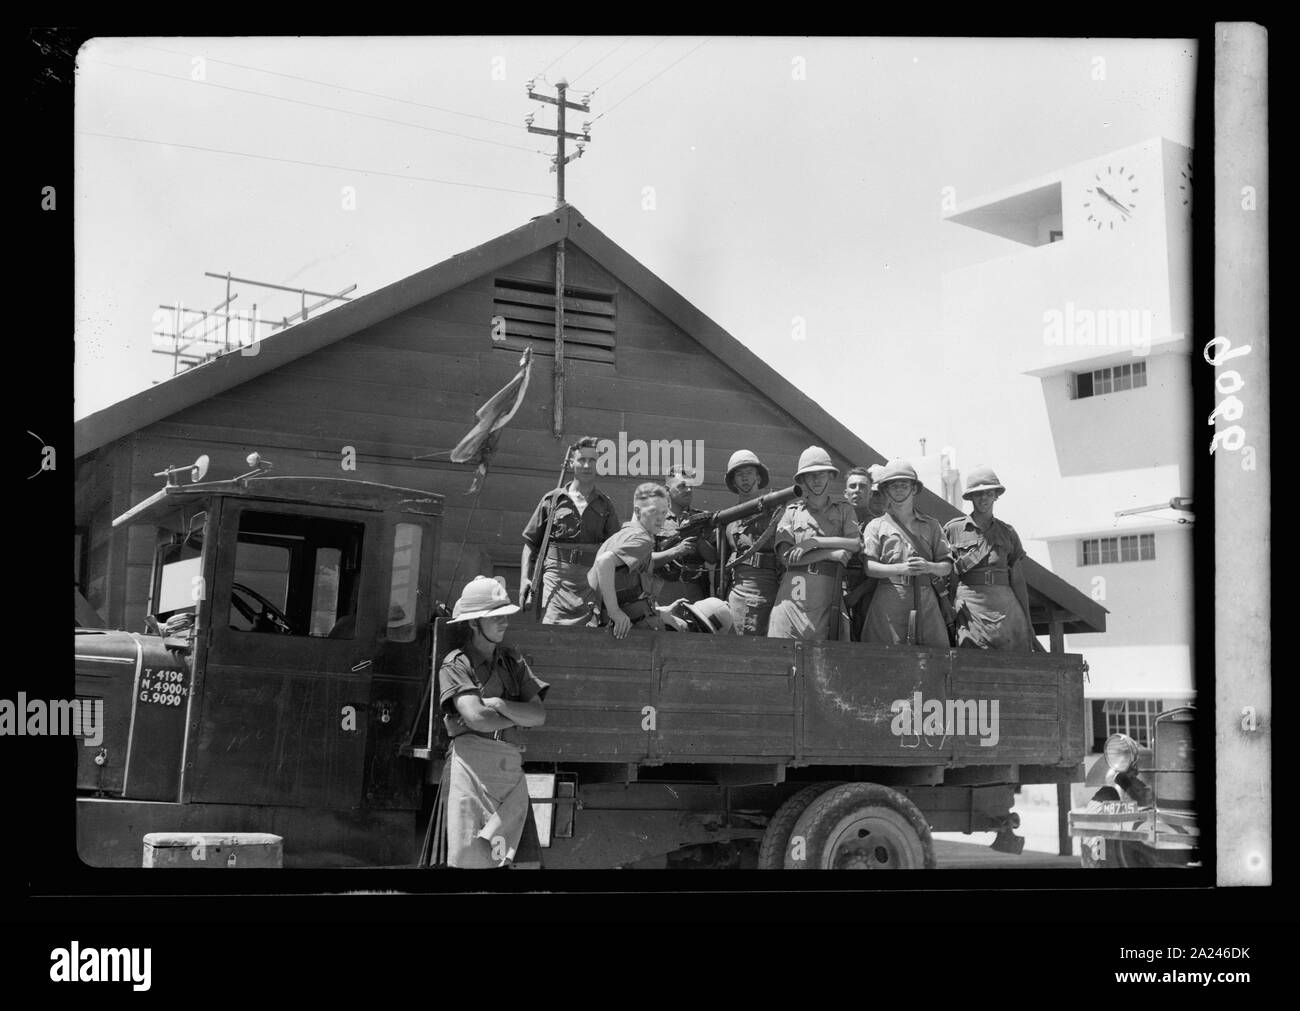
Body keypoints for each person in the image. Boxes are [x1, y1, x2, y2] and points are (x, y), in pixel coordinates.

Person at [436, 576, 548, 868]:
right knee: (469, 862)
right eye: (495, 616)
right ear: (474, 623)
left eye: (504, 616)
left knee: (520, 866)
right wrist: (514, 714)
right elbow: (476, 717)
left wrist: (498, 704)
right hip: (471, 771)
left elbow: (538, 715)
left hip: (509, 772)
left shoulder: (513, 661)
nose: (504, 623)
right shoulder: (456, 663)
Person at [520, 437, 621, 625]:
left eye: (592, 460)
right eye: (581, 460)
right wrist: (525, 579)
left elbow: (615, 551)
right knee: (552, 628)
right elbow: (530, 543)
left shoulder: (605, 505)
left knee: (589, 634)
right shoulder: (553, 499)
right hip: (556, 579)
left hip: (591, 581)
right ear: (571, 463)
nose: (586, 465)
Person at [767, 447, 860, 641]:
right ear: (802, 481)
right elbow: (785, 557)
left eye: (821, 474)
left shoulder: (844, 510)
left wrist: (814, 542)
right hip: (794, 594)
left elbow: (855, 544)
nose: (817, 480)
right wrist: (828, 554)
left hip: (829, 592)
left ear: (830, 477)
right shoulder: (792, 512)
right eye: (811, 476)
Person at [861, 459, 954, 647]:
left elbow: (947, 567)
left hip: (926, 599)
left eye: (904, 485)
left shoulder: (932, 525)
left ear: (914, 489)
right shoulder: (876, 526)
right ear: (886, 491)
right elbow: (869, 568)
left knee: (933, 657)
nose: (899, 490)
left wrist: (929, 566)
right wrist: (901, 568)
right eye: (893, 486)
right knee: (884, 657)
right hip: (890, 598)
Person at [943, 466, 1036, 651]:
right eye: (978, 494)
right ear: (970, 498)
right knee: (970, 653)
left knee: (1013, 655)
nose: (983, 498)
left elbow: (1017, 579)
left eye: (988, 493)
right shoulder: (953, 530)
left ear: (996, 495)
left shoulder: (1007, 532)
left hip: (1004, 603)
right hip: (970, 603)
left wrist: (1027, 619)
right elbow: (948, 576)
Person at [588, 483, 672, 638]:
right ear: (637, 511)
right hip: (633, 630)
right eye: (653, 511)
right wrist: (615, 612)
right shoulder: (642, 539)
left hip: (613, 627)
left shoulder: (617, 537)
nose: (660, 518)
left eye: (664, 512)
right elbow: (604, 562)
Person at [720, 450, 781, 635]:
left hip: (772, 592)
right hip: (738, 593)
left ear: (758, 477)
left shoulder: (776, 511)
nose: (745, 478)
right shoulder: (727, 519)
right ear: (733, 481)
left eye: (749, 473)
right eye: (739, 474)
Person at [653, 465, 718, 604]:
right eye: (682, 486)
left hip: (696, 596)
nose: (688, 490)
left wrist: (698, 538)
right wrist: (677, 550)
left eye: (691, 486)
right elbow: (646, 560)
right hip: (662, 594)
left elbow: (713, 558)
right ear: (666, 490)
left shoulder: (702, 519)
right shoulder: (654, 521)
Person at [842, 466, 880, 641]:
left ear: (870, 493)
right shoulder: (836, 523)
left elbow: (879, 570)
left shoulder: (878, 526)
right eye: (853, 486)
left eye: (863, 486)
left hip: (868, 594)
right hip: (838, 591)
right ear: (845, 493)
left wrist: (856, 595)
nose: (857, 491)